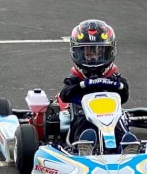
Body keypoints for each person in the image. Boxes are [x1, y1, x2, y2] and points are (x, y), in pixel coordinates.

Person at [56, 19, 138, 154]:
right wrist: (82, 85)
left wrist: (116, 85)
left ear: (109, 52)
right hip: (83, 113)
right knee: (83, 122)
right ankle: (82, 146)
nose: (93, 57)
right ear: (77, 53)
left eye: (98, 53)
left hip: (110, 114)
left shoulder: (113, 77)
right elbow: (64, 95)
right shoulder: (75, 78)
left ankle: (125, 145)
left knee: (117, 122)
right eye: (88, 53)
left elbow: (124, 96)